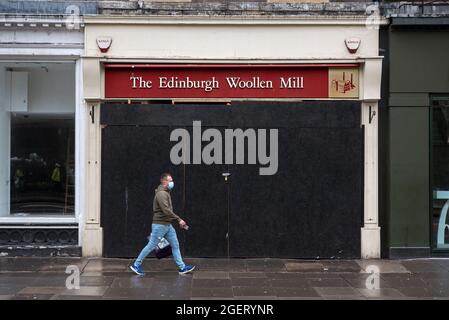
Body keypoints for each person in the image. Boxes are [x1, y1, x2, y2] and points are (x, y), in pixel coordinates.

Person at [130, 173, 195, 276]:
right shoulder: (161, 194)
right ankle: (136, 265)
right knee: (151, 246)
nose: (172, 183)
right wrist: (179, 219)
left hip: (167, 225)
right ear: (164, 182)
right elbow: (166, 210)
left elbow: (167, 212)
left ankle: (182, 268)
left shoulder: (166, 192)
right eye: (170, 181)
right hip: (160, 225)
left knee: (175, 245)